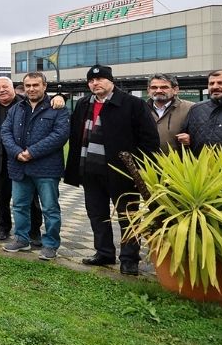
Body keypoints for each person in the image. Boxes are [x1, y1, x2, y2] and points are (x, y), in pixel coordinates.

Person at [64, 64, 159, 275]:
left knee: (129, 216)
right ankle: (104, 252)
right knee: (97, 214)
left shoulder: (132, 104)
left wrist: (140, 169)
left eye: (100, 79)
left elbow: (149, 140)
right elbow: (75, 137)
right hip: (90, 171)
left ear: (111, 81)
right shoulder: (83, 104)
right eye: (91, 81)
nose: (95, 83)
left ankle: (129, 258)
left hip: (122, 173)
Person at [0, 72, 70, 260]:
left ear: (44, 86)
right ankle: (22, 239)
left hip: (46, 169)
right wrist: (16, 152)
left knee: (50, 208)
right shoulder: (16, 108)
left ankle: (50, 244)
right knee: (20, 206)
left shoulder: (57, 108)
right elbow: (5, 132)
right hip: (19, 167)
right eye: (28, 85)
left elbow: (60, 135)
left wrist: (32, 152)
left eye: (35, 85)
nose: (31, 89)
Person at [0, 77, 43, 242]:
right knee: (1, 197)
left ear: (13, 87)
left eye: (5, 86)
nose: (1, 90)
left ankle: (34, 231)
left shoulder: (26, 104)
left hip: (23, 160)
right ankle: (2, 228)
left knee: (29, 199)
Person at [177, 69, 222, 159]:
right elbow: (185, 138)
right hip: (200, 169)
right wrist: (186, 141)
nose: (215, 87)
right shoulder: (197, 109)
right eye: (211, 83)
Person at [145, 73, 193, 152]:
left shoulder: (191, 108)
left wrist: (192, 139)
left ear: (175, 90)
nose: (158, 90)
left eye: (164, 87)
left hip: (178, 163)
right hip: (147, 162)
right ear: (148, 90)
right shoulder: (140, 109)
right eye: (154, 87)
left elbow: (203, 134)